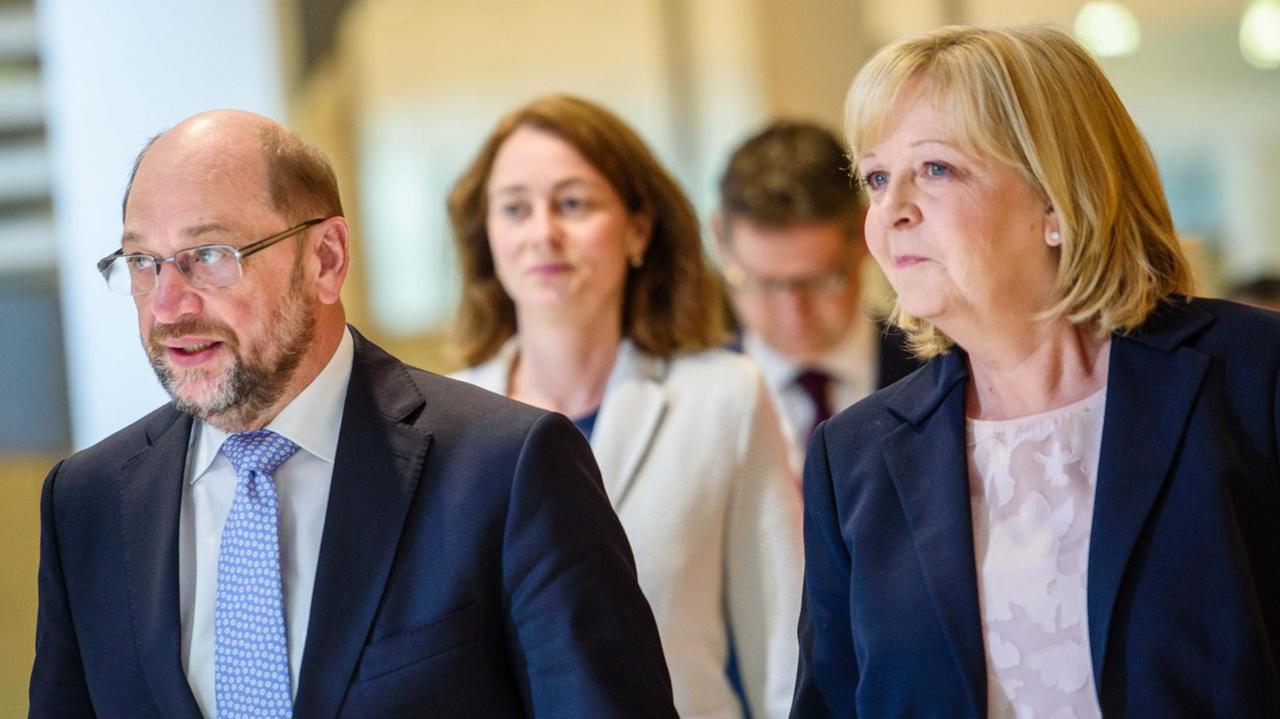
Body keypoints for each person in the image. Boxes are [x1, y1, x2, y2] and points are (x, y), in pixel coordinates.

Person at [29, 110, 677, 718]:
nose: (168, 306)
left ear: (326, 259)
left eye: (210, 255)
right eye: (143, 262)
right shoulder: (87, 502)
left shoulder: (508, 469)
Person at [793, 25, 1280, 718]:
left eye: (934, 169)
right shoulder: (855, 455)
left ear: (1057, 199)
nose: (890, 211)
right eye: (877, 177)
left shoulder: (1252, 375)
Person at [449, 94, 802, 718]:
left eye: (573, 203)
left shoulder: (725, 397)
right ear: (489, 235)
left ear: (638, 229)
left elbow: (783, 656)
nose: (543, 233)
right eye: (514, 209)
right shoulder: (442, 425)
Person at [714, 121, 919, 469]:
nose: (793, 312)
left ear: (865, 232)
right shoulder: (694, 400)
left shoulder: (942, 375)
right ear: (720, 239)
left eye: (821, 280)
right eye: (763, 284)